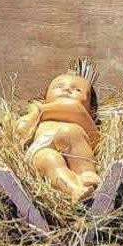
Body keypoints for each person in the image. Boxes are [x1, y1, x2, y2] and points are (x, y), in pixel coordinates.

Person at [16, 57, 100, 202]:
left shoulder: (81, 117)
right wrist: (29, 120)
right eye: (59, 86)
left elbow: (74, 108)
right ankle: (74, 189)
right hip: (40, 148)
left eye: (77, 90)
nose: (67, 89)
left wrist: (38, 111)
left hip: (74, 143)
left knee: (69, 133)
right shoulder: (39, 120)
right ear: (45, 98)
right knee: (50, 160)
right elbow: (20, 132)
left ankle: (86, 173)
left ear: (91, 110)